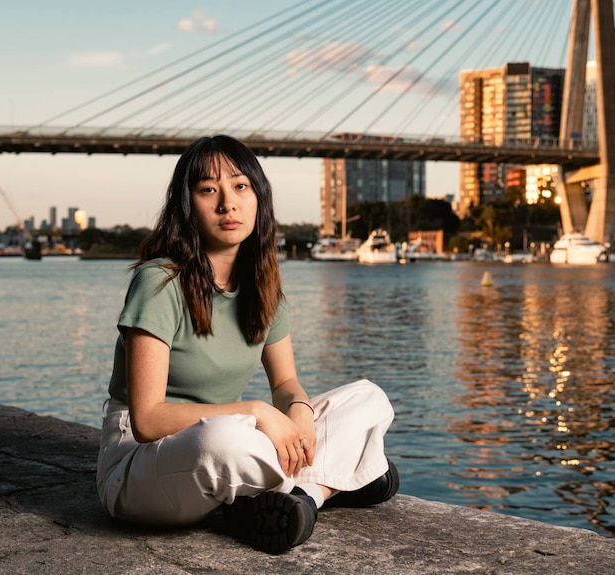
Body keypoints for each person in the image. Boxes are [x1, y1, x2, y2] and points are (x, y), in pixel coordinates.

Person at [96, 134, 398, 555]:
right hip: (140, 464)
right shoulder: (159, 282)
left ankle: (305, 498)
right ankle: (339, 478)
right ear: (188, 205)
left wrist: (299, 414)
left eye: (240, 186)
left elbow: (287, 381)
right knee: (223, 442)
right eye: (208, 190)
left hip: (227, 443)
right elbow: (147, 420)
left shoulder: (263, 286)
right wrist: (258, 412)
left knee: (369, 399)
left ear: (259, 197)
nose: (227, 203)